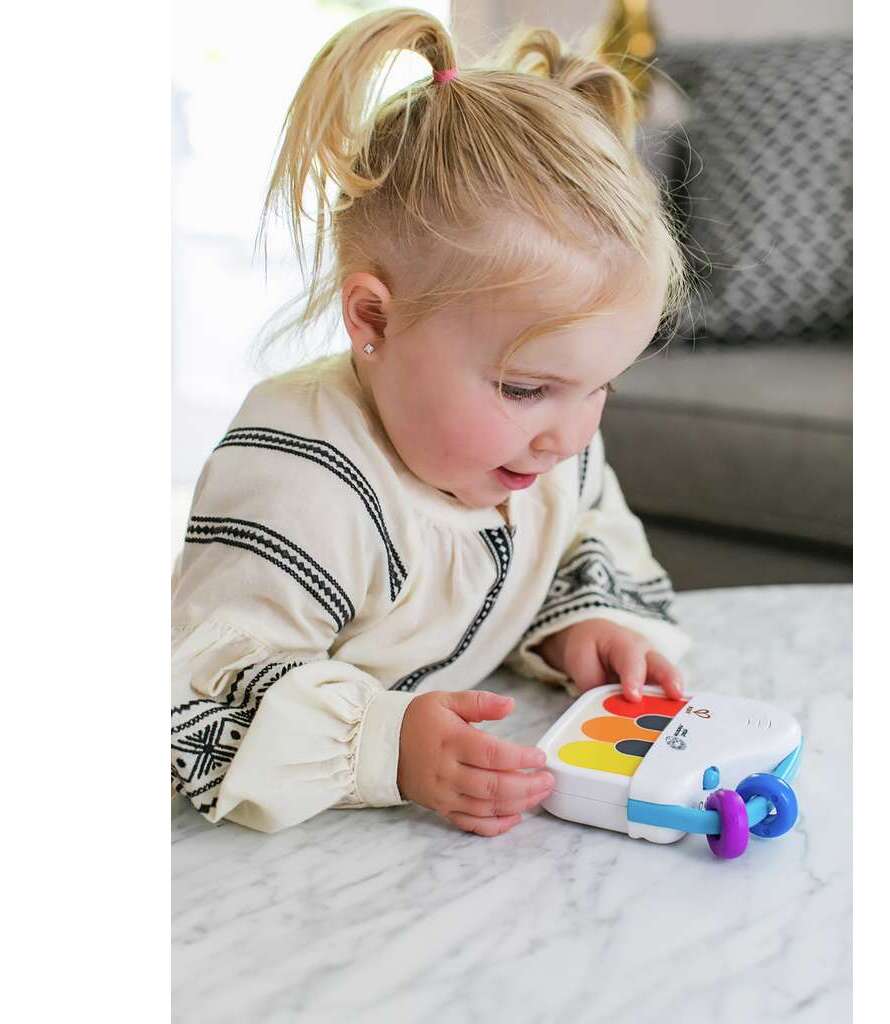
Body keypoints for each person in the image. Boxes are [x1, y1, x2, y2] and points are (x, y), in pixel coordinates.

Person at [171, 6, 696, 836]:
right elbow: (201, 689)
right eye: (525, 388)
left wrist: (583, 623)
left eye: (602, 387)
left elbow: (583, 532)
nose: (569, 437)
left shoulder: (544, 447)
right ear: (375, 320)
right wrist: (385, 745)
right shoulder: (298, 481)